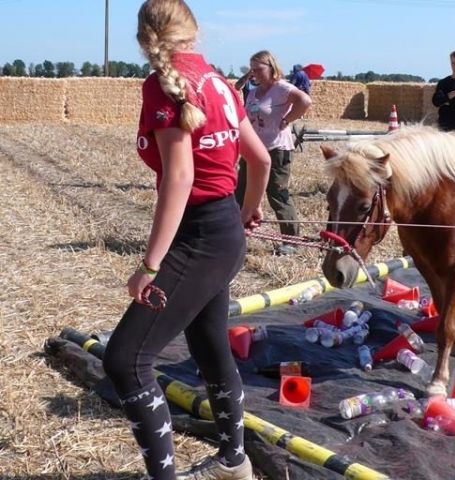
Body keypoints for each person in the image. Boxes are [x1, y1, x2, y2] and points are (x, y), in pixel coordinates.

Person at [101, 1, 270, 480]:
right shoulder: (219, 82)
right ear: (193, 32)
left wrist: (150, 265)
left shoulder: (163, 85)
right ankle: (234, 463)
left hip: (200, 237)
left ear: (144, 38)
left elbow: (179, 178)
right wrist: (247, 209)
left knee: (126, 360)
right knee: (209, 345)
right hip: (222, 231)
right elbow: (260, 160)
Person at [235, 50, 312, 256]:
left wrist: (286, 120)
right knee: (240, 192)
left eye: (259, 69)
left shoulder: (282, 88)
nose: (254, 74)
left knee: (277, 194)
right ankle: (235, 234)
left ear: (271, 67)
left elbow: (305, 101)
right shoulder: (254, 92)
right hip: (253, 151)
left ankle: (291, 241)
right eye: (252, 70)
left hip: (276, 150)